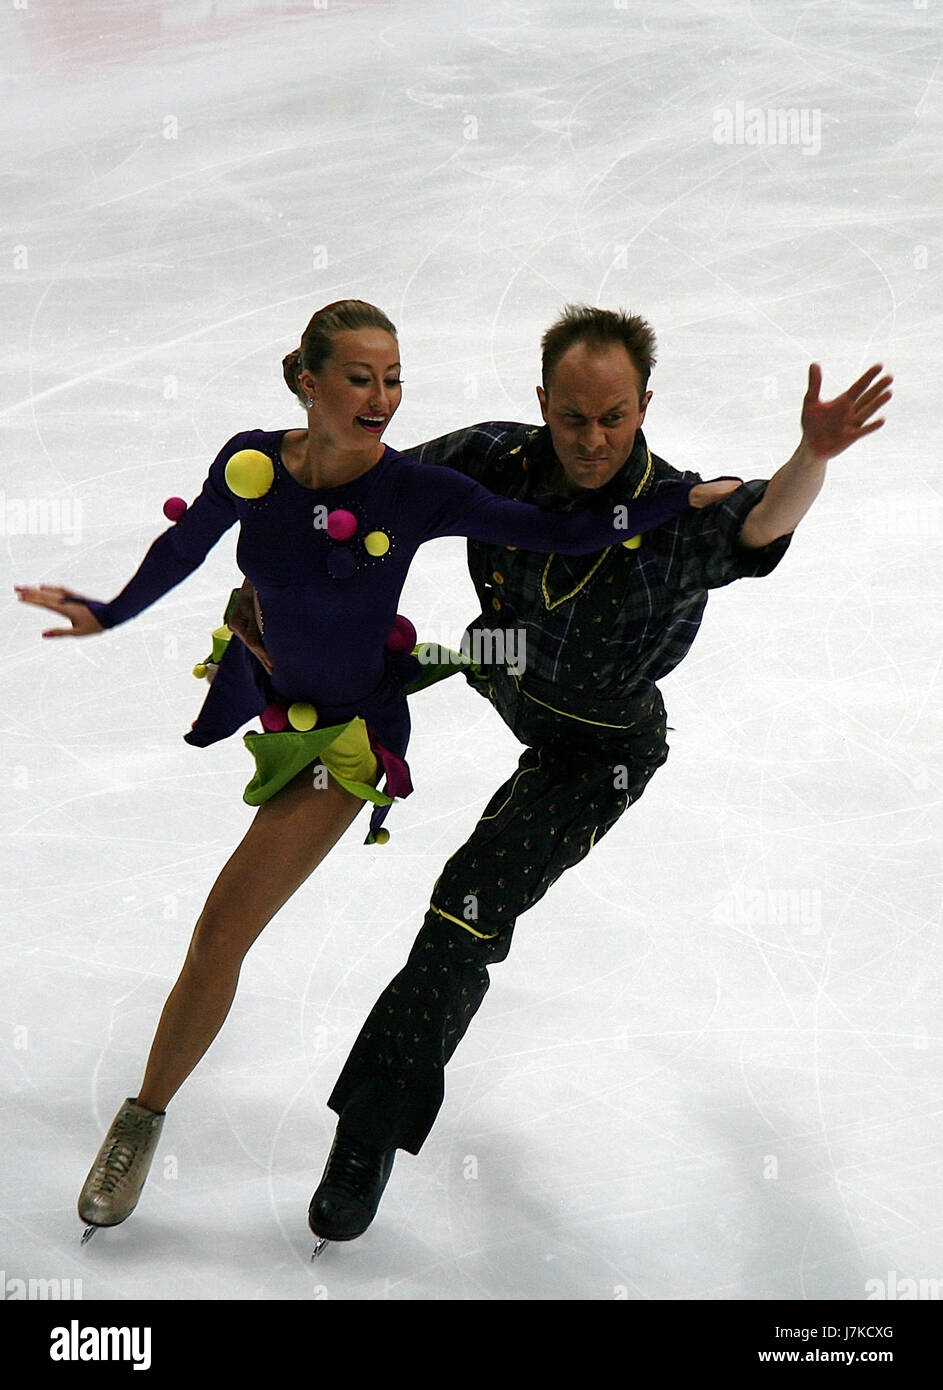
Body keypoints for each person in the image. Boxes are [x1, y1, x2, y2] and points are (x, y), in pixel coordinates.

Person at [14, 300, 735, 1240]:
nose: (382, 399)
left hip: (346, 736)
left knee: (233, 922)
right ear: (305, 383)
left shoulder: (414, 490)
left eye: (394, 380)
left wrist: (677, 500)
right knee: (218, 931)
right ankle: (144, 1115)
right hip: (272, 690)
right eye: (361, 378)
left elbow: (561, 532)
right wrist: (110, 612)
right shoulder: (251, 464)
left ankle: (235, 1127)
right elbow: (187, 544)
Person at [231, 305, 892, 1249]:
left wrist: (809, 458)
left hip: (595, 744)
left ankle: (365, 1137)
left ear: (644, 406)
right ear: (542, 402)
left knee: (464, 908)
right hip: (505, 660)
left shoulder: (675, 513)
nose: (592, 441)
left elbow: (758, 525)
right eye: (573, 418)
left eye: (613, 419)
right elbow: (362, 491)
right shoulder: (496, 459)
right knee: (378, 656)